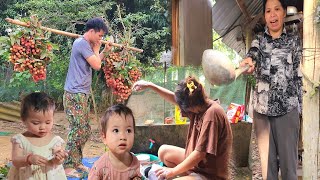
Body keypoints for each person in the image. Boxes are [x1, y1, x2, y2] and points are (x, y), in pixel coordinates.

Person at [239, 0, 302, 179]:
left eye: (276, 10)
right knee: (268, 169)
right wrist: (248, 61)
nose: (272, 15)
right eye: (268, 11)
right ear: (265, 16)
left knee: (290, 168)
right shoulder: (259, 40)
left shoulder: (293, 41)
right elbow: (252, 54)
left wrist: (299, 109)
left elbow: (298, 75)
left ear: (283, 13)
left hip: (287, 111)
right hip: (263, 113)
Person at [132, 76, 233, 179]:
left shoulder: (212, 114)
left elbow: (199, 154)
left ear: (190, 105)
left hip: (209, 174)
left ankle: (193, 177)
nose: (180, 111)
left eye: (181, 107)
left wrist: (172, 172)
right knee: (163, 151)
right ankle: (189, 176)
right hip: (198, 165)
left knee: (171, 174)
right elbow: (173, 98)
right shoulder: (198, 105)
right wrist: (150, 85)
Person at [63, 17, 111, 177]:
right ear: (91, 31)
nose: (101, 39)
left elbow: (95, 61)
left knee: (85, 130)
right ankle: (67, 165)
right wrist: (98, 48)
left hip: (82, 94)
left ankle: (76, 161)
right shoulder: (81, 44)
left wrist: (104, 51)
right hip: (74, 94)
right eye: (100, 35)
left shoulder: (87, 46)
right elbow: (97, 66)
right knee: (77, 129)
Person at [7, 92, 68, 180]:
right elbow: (16, 161)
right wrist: (29, 159)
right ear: (24, 120)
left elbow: (56, 162)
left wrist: (59, 158)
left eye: (48, 122)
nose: (42, 127)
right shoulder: (20, 140)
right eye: (36, 123)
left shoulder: (55, 140)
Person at [88, 104, 141, 179]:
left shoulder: (134, 161)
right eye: (116, 130)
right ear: (104, 137)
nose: (123, 137)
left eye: (128, 130)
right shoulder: (100, 167)